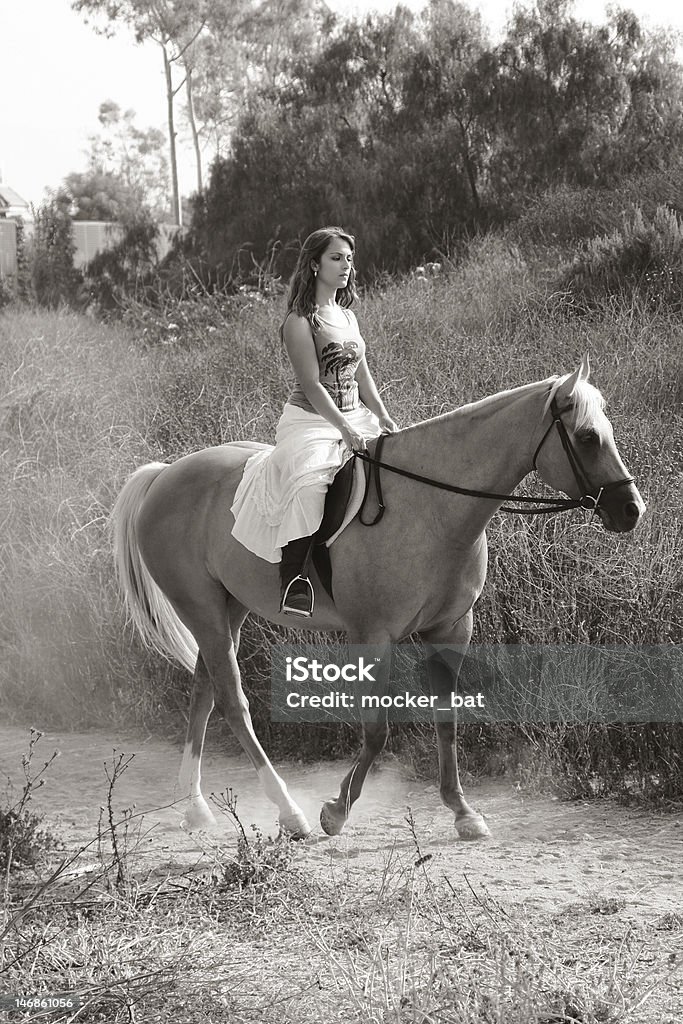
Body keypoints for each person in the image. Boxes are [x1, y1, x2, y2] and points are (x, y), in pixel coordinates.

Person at [230, 226, 398, 617]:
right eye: (336, 258)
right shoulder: (299, 321)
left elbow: (362, 376)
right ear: (314, 265)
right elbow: (311, 383)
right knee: (310, 485)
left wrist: (383, 415)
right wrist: (344, 428)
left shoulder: (347, 316)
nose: (345, 266)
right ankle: (294, 580)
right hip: (312, 420)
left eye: (349, 259)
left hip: (356, 415)